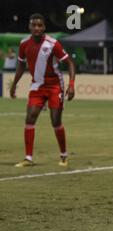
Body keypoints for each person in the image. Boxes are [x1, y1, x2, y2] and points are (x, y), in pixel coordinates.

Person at [10, 13, 76, 167]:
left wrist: (71, 85)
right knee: (30, 118)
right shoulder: (24, 44)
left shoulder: (53, 44)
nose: (37, 28)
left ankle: (64, 155)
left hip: (54, 86)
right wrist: (14, 84)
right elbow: (21, 65)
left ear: (44, 27)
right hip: (37, 86)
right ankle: (28, 158)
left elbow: (71, 63)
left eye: (40, 25)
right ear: (29, 26)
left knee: (55, 120)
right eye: (34, 25)